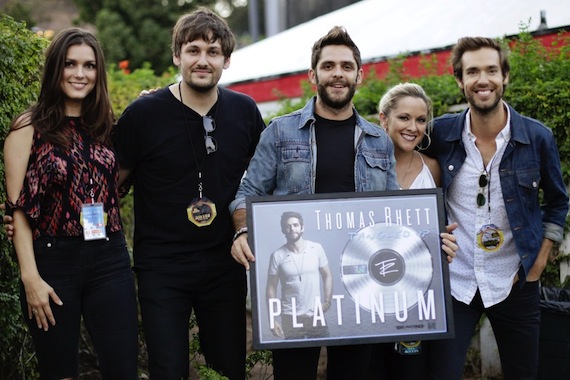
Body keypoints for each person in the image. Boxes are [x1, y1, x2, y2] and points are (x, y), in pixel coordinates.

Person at [229, 27, 457, 380]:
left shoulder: (377, 139)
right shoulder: (280, 132)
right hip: (297, 290)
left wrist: (432, 238)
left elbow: (395, 210)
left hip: (358, 285)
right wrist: (242, 229)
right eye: (329, 65)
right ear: (313, 75)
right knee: (294, 374)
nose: (338, 73)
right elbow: (247, 191)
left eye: (346, 66)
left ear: (359, 76)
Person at [113, 8, 265, 379]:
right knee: (168, 368)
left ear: (226, 60)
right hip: (162, 267)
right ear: (176, 56)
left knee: (227, 368)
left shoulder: (244, 111)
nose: (202, 60)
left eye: (213, 52)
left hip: (225, 264)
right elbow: (110, 186)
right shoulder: (143, 114)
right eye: (193, 49)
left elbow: (264, 178)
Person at [425, 36, 569, 379]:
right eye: (472, 71)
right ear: (460, 81)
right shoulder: (440, 134)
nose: (483, 79)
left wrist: (539, 260)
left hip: (515, 279)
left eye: (491, 69)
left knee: (523, 373)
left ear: (505, 77)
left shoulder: (536, 137)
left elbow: (558, 201)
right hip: (456, 280)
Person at [3, 28, 138, 378]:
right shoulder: (28, 128)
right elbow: (17, 210)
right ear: (55, 69)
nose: (80, 74)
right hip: (52, 261)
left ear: (99, 72)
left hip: (109, 257)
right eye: (70, 64)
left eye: (89, 66)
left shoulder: (107, 126)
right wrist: (30, 277)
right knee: (59, 370)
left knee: (123, 368)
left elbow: (112, 184)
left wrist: (148, 105)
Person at [367, 82, 443, 379]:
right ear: (383, 119)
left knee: (411, 370)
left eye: (421, 120)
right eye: (404, 118)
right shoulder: (363, 167)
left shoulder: (433, 169)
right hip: (369, 291)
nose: (413, 127)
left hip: (417, 294)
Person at [267, 211, 333, 340]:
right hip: (290, 316)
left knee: (327, 350)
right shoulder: (277, 255)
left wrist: (327, 302)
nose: (292, 229)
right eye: (288, 226)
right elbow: (271, 289)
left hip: (315, 315)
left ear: (302, 227)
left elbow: (327, 275)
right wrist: (272, 319)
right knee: (295, 358)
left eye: (295, 225)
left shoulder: (316, 248)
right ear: (283, 230)